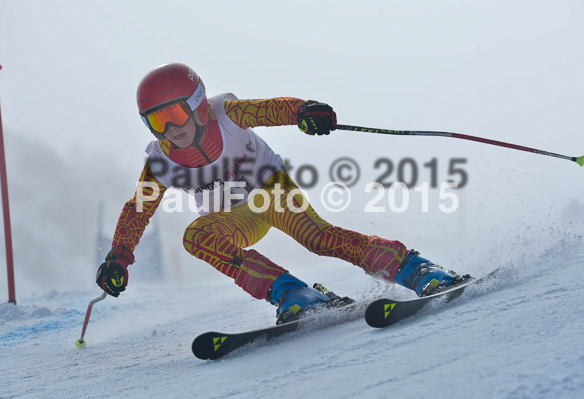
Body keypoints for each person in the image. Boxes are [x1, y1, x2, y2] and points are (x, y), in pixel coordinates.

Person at [96, 63, 466, 324]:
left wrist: (306, 111)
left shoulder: (225, 114)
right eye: (158, 121)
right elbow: (138, 209)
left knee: (316, 238)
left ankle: (415, 268)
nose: (170, 129)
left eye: (175, 114)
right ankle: (294, 293)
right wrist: (119, 257)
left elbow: (270, 110)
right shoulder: (161, 160)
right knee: (197, 236)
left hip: (270, 191)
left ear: (198, 105)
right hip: (234, 216)